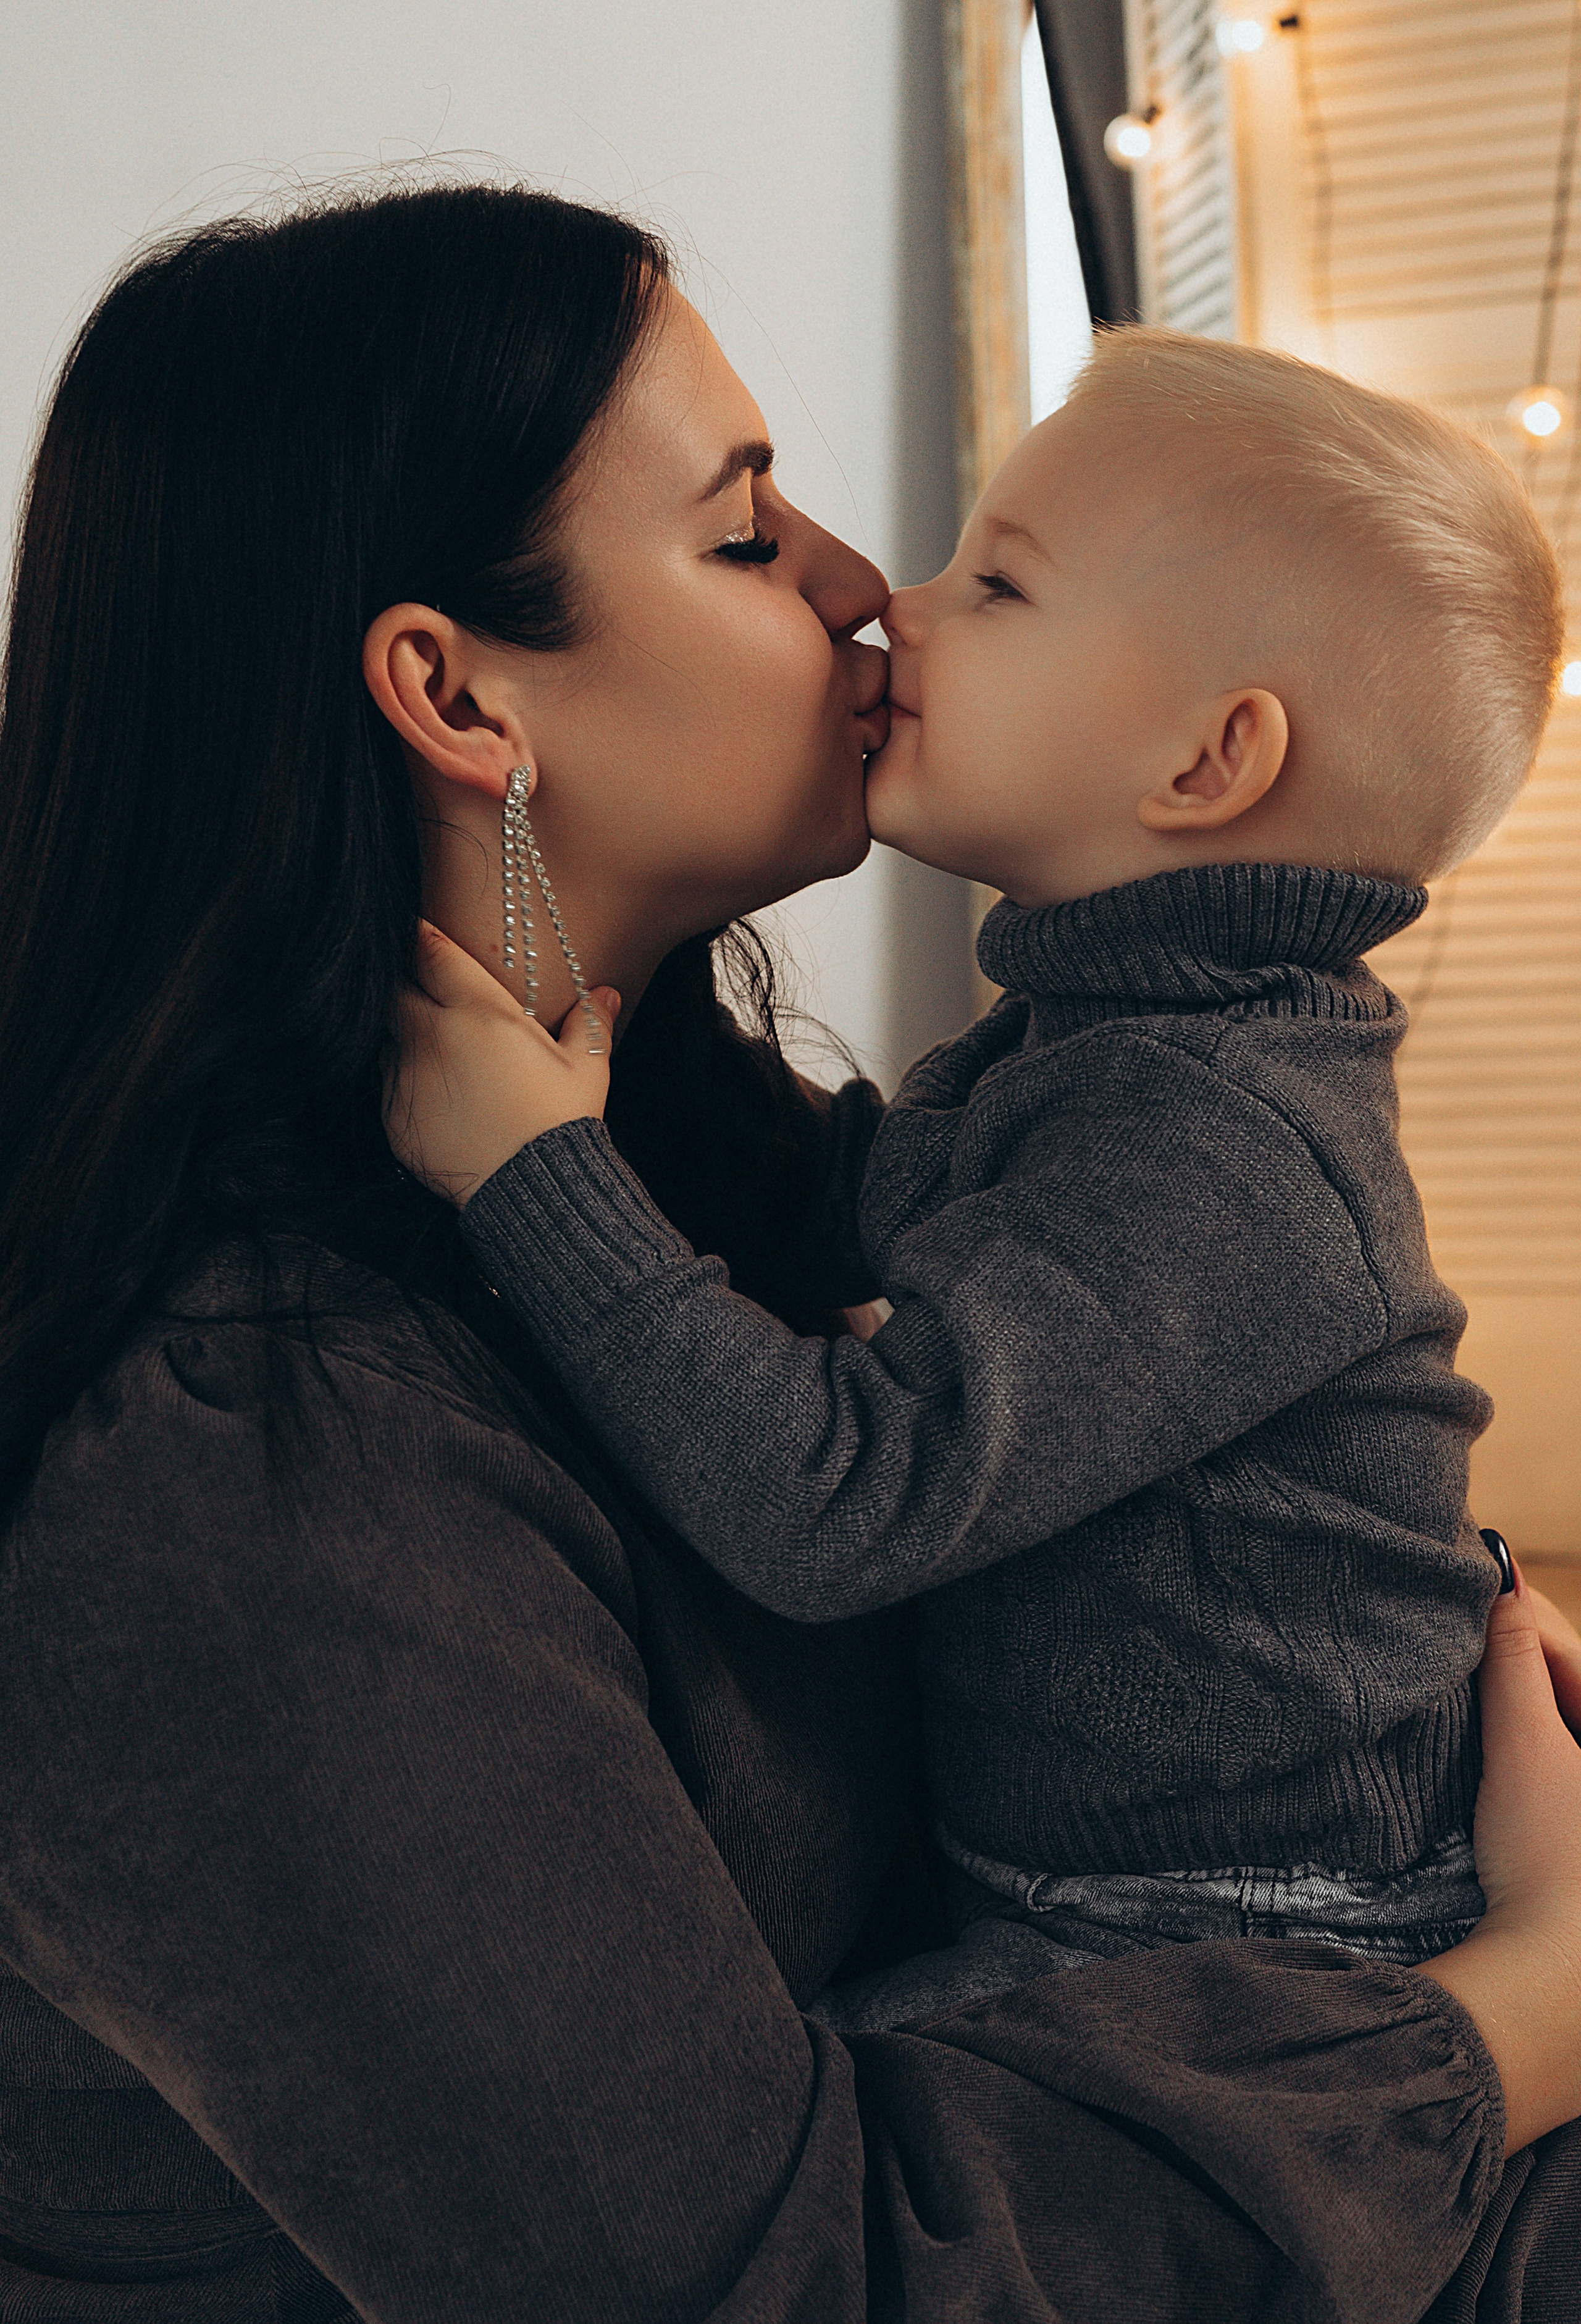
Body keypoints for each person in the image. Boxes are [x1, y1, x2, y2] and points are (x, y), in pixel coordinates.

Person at [0, 178, 1578, 2323]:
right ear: (461, 700)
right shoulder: (228, 1491)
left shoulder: (707, 1153)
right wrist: (1514, 2022)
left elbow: (1191, 1443)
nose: (861, 591)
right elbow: (790, 2280)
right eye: (748, 534)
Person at [383, 328, 1561, 2021]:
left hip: (1245, 1925)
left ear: (1207, 764)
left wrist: (538, 1170)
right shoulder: (1106, 1042)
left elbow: (840, 1499)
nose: (891, 604)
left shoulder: (1221, 1140)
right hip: (1098, 1874)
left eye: (999, 586)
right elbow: (895, 1202)